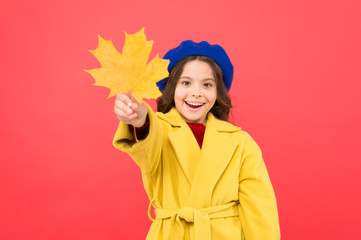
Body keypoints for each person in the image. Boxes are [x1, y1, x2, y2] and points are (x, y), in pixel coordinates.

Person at [113, 40, 280, 240]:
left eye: (207, 84)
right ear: (171, 87)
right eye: (186, 83)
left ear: (217, 93)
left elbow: (260, 211)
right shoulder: (159, 130)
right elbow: (147, 144)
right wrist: (140, 120)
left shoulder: (242, 143)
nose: (196, 92)